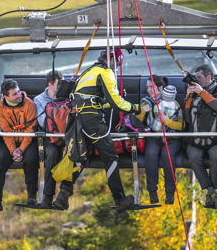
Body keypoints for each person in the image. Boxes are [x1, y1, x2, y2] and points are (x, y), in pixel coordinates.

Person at [53, 48, 137, 213]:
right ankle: (119, 199)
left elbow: (94, 101)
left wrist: (112, 102)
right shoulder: (105, 72)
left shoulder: (88, 71)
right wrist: (134, 107)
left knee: (81, 156)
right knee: (110, 157)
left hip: (77, 118)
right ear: (112, 60)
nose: (117, 66)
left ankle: (62, 195)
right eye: (118, 63)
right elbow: (116, 103)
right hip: (92, 120)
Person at [0, 79, 39, 212]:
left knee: (31, 160)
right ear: (6, 97)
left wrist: (20, 150)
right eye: (14, 94)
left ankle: (32, 196)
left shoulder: (29, 105)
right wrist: (13, 150)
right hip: (10, 141)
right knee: (0, 161)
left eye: (18, 92)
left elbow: (31, 129)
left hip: (28, 139)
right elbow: (5, 130)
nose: (18, 95)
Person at [136, 77, 184, 205]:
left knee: (167, 155)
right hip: (154, 135)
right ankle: (152, 192)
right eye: (147, 87)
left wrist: (166, 121)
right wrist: (142, 112)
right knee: (150, 155)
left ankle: (169, 193)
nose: (148, 90)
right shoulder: (146, 102)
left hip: (172, 137)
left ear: (160, 88)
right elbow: (136, 121)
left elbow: (181, 126)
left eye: (151, 87)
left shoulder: (174, 104)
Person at [184, 64, 217, 208]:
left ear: (209, 77)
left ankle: (214, 192)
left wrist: (202, 92)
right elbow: (187, 118)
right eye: (195, 78)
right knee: (193, 157)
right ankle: (211, 192)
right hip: (196, 138)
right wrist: (189, 97)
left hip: (214, 138)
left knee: (216, 157)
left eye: (199, 78)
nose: (196, 81)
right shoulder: (194, 92)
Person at [33, 70, 65, 207]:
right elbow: (42, 122)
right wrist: (61, 114)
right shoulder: (39, 100)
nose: (61, 88)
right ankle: (48, 196)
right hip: (50, 137)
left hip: (65, 135)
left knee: (74, 153)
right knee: (52, 155)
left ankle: (63, 196)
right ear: (50, 84)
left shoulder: (67, 96)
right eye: (58, 85)